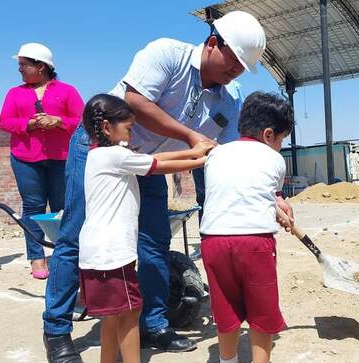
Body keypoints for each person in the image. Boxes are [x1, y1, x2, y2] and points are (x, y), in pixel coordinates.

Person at [42, 11, 291, 361]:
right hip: (102, 151)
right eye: (233, 63)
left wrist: (273, 196)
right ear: (212, 43)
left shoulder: (229, 99)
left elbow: (239, 153)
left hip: (152, 165)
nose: (235, 73)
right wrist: (190, 136)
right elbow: (135, 102)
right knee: (75, 235)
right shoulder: (166, 54)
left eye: (241, 69)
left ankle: (153, 323)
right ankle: (57, 330)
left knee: (154, 242)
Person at [79, 94, 213, 363]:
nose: (130, 135)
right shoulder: (115, 156)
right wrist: (203, 161)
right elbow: (158, 165)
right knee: (130, 315)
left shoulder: (101, 155)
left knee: (112, 318)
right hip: (112, 253)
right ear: (107, 127)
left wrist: (193, 151)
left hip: (97, 253)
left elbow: (152, 157)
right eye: (128, 129)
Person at [199, 92, 294, 363]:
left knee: (225, 308)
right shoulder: (275, 160)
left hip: (213, 241)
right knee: (261, 311)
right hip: (254, 242)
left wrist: (278, 208)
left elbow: (244, 192)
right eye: (281, 139)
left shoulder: (216, 155)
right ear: (268, 135)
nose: (280, 146)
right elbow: (269, 196)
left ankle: (226, 360)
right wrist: (281, 209)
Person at [0, 43, 83, 279]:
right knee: (33, 207)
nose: (20, 69)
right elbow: (5, 122)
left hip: (61, 158)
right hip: (25, 158)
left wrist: (58, 121)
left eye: (23, 65)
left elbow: (81, 119)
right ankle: (36, 257)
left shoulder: (67, 91)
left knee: (61, 208)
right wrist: (30, 124)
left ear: (41, 66)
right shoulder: (14, 93)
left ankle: (61, 255)